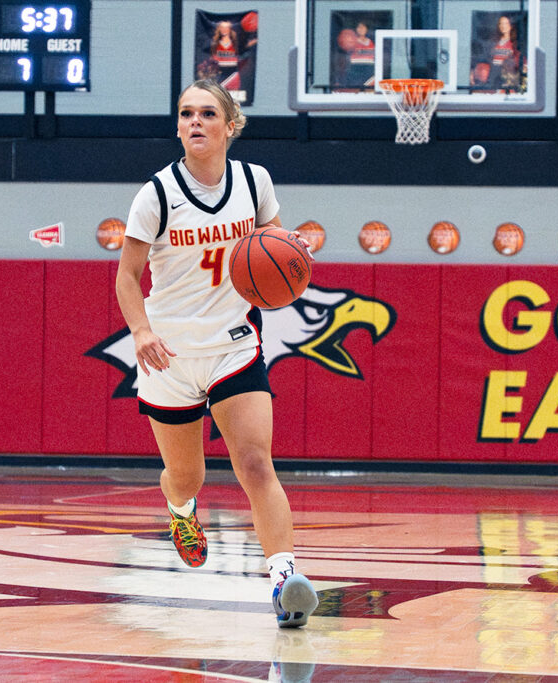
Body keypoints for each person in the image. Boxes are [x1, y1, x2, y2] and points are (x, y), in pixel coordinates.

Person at [115, 79, 319, 629]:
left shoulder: (255, 182)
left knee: (255, 463)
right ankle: (181, 512)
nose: (195, 122)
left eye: (207, 113)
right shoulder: (156, 194)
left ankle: (285, 581)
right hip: (169, 355)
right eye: (186, 114)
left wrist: (290, 248)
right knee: (187, 477)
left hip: (233, 346)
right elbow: (127, 277)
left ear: (230, 126)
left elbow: (273, 242)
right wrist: (139, 332)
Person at [471, 15, 522, 91]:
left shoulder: (515, 43)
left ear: (511, 26)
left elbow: (518, 63)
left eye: (506, 23)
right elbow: (483, 57)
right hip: (492, 77)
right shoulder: (493, 42)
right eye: (501, 23)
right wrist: (472, 71)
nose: (503, 26)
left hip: (507, 78)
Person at [344, 22, 375, 88]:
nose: (361, 29)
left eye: (363, 27)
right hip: (356, 71)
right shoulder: (351, 42)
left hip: (369, 71)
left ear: (367, 29)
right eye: (359, 27)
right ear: (356, 29)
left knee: (368, 91)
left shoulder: (371, 42)